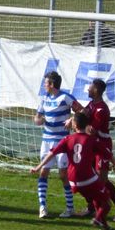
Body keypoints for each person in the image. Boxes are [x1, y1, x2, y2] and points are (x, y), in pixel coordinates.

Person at [31, 112, 115, 230]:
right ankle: (98, 218)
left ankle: (104, 225)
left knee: (96, 198)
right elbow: (109, 155)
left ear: (74, 125)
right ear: (86, 125)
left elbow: (51, 153)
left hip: (73, 182)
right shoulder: (91, 140)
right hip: (87, 178)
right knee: (106, 202)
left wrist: (38, 167)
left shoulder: (67, 139)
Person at [33, 71, 84, 218]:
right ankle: (42, 207)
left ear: (52, 84)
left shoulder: (65, 97)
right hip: (47, 140)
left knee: (63, 175)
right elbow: (37, 117)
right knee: (44, 172)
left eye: (46, 83)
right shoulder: (44, 99)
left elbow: (82, 110)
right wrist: (38, 120)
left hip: (62, 141)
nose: (44, 85)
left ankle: (70, 208)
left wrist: (72, 120)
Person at [78, 79, 115, 221]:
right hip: (92, 146)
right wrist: (75, 119)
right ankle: (91, 207)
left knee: (102, 180)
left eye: (90, 88)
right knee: (88, 177)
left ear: (96, 90)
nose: (87, 90)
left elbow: (91, 130)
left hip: (102, 146)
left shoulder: (101, 109)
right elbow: (82, 114)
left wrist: (79, 124)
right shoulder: (92, 104)